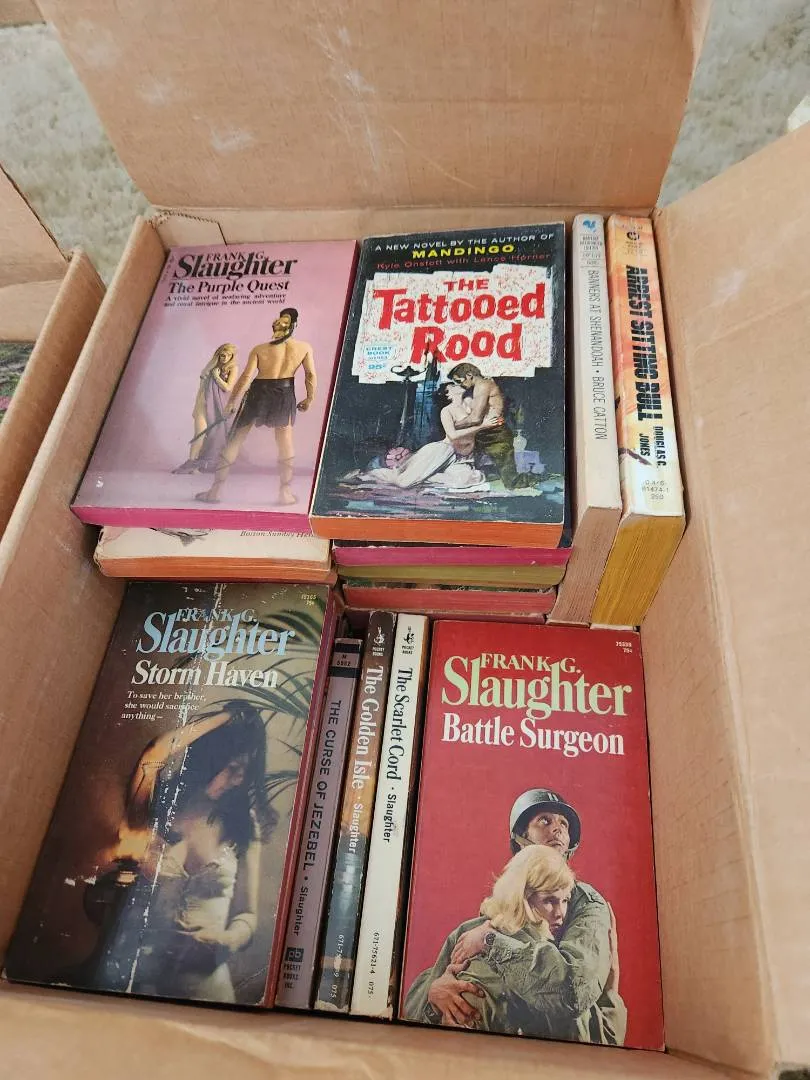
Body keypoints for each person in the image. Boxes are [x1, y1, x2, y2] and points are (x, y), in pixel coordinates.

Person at [80, 702, 274, 1004]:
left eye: (244, 773)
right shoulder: (158, 805)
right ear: (210, 758)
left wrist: (226, 941)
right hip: (135, 981)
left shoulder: (243, 824)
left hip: (207, 990)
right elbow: (154, 754)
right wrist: (226, 718)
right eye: (232, 768)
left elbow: (246, 915)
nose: (237, 780)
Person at [413, 789, 622, 1043]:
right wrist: (436, 993)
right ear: (522, 837)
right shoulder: (499, 907)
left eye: (563, 824)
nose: (557, 829)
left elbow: (574, 990)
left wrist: (491, 942)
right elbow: (438, 979)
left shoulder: (586, 902)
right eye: (544, 820)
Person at [196, 308, 314, 505]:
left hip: (258, 393)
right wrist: (309, 399)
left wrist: (231, 402)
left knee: (236, 439)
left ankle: (215, 491)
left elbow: (245, 378)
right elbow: (310, 375)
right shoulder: (303, 347)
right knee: (285, 441)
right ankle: (285, 494)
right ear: (295, 325)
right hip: (283, 393)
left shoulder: (260, 349)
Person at [363, 381, 498, 490]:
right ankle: (395, 474)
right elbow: (453, 435)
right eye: (453, 385)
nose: (458, 385)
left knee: (469, 479)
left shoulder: (474, 408)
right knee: (404, 482)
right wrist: (482, 426)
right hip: (444, 451)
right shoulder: (447, 411)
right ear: (448, 393)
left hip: (462, 459)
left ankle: (426, 476)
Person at [448, 362, 537, 490]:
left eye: (459, 381)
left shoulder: (483, 385)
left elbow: (475, 418)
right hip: (483, 432)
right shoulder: (478, 387)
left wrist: (454, 424)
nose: (460, 385)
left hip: (495, 433)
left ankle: (534, 478)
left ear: (469, 375)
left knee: (511, 482)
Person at [173, 343, 239, 474]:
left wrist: (216, 376)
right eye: (222, 355)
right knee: (200, 434)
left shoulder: (233, 368)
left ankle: (200, 466)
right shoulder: (210, 367)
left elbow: (228, 388)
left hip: (219, 406)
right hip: (203, 404)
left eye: (228, 355)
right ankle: (191, 463)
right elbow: (202, 389)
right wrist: (196, 407)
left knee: (215, 436)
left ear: (232, 356)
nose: (225, 358)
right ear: (218, 354)